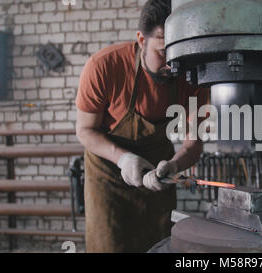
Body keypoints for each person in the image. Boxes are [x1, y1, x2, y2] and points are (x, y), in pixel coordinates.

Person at [75, 0, 208, 252]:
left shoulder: (190, 78)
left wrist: (175, 165)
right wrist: (123, 159)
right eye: (161, 53)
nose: (171, 65)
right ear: (141, 40)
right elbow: (84, 130)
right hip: (108, 175)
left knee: (160, 244)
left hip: (159, 173)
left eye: (176, 55)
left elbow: (193, 142)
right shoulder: (103, 67)